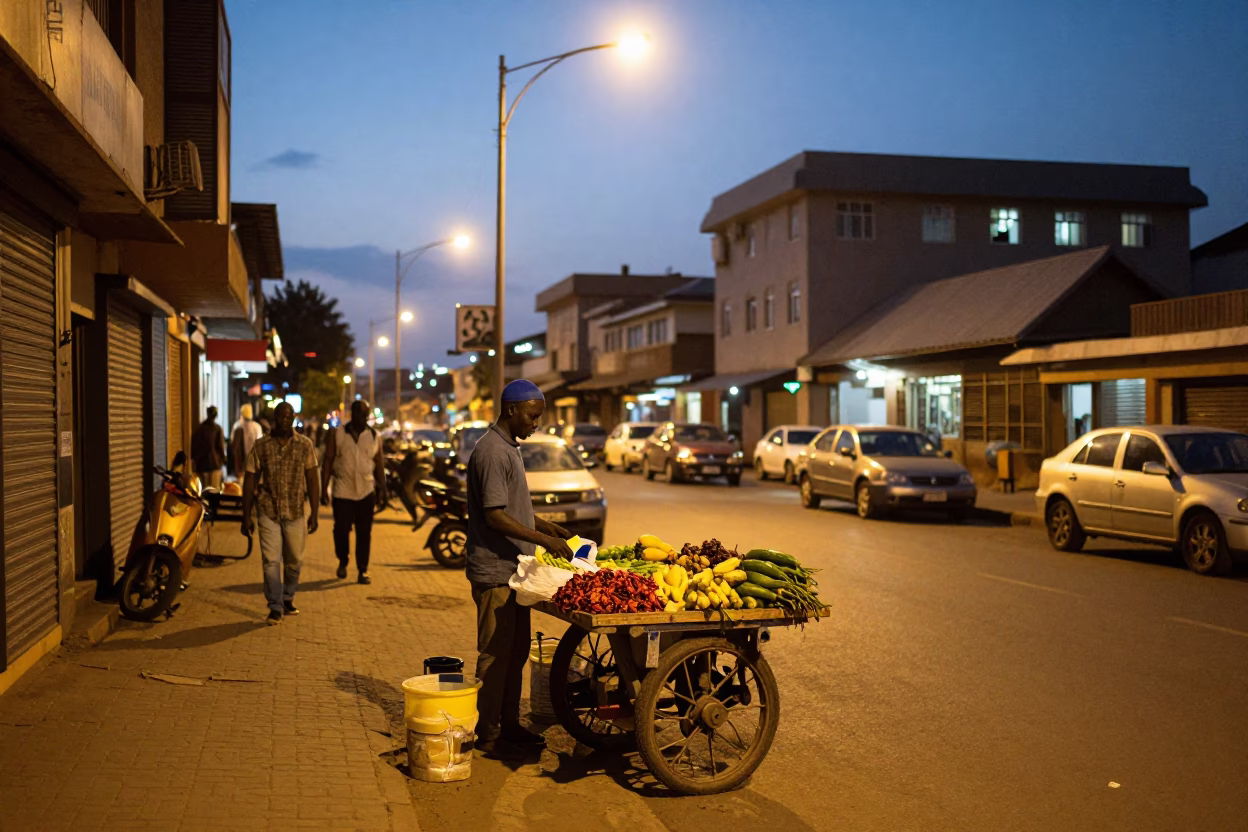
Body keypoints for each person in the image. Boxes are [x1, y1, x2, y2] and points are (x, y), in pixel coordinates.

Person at [465, 379, 574, 759]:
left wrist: (542, 525)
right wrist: (544, 542)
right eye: (532, 416)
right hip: (495, 572)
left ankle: (508, 724)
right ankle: (490, 734)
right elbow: (495, 517)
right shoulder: (492, 452)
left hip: (515, 572)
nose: (536, 424)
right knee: (495, 654)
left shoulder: (507, 447)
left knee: (515, 651)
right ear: (511, 410)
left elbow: (511, 507)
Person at [241, 402, 320, 625]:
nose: (285, 421)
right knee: (271, 561)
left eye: (289, 417)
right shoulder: (261, 445)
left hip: (295, 511)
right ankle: (275, 605)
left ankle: (288, 597)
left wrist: (315, 511)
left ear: (293, 418)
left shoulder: (305, 445)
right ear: (275, 418)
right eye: (281, 417)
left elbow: (313, 478)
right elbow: (250, 479)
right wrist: (245, 515)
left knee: (294, 559)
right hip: (268, 511)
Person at [321, 399, 385, 584]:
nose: (361, 417)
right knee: (341, 530)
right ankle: (343, 560)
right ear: (352, 413)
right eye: (358, 413)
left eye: (364, 414)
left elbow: (379, 464)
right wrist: (324, 487)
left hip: (366, 491)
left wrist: (383, 487)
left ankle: (362, 569)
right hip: (343, 491)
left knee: (364, 533)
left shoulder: (374, 436)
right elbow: (328, 460)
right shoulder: (339, 434)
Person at [189, 405, 226, 490]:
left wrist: (194, 460)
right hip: (215, 463)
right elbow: (220, 447)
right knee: (214, 489)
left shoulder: (200, 428)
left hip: (202, 463)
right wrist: (223, 459)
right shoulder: (217, 429)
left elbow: (195, 446)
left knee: (204, 490)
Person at [231, 404, 264, 478]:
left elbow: (232, 443)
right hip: (254, 463)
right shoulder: (257, 427)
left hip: (240, 464)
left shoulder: (237, 425)